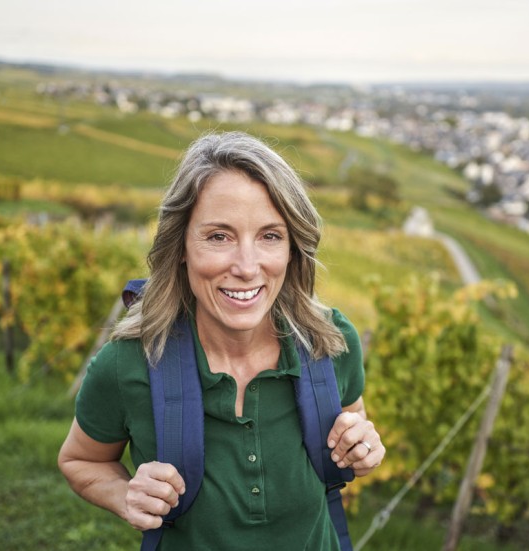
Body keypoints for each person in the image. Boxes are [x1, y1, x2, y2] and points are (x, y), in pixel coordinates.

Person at [58, 131, 385, 550]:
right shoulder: (130, 364)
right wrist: (124, 495)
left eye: (270, 235)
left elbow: (354, 432)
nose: (247, 267)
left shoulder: (331, 344)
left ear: (292, 249)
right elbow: (80, 460)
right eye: (219, 236)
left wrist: (365, 450)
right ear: (181, 246)